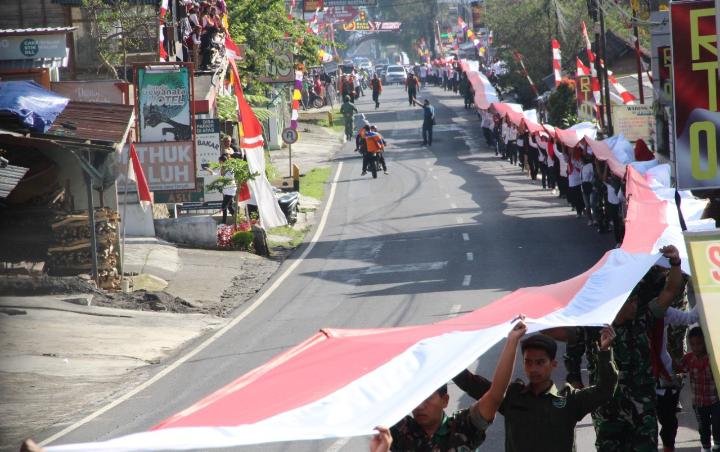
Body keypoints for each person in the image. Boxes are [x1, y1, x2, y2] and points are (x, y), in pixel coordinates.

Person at [564, 245, 685, 452]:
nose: (636, 304)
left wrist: (675, 263)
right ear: (618, 302)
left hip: (642, 408)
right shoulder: (593, 326)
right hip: (607, 411)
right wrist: (576, 382)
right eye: (632, 301)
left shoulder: (643, 318)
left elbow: (670, 291)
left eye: (637, 299)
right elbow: (570, 345)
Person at [386, 321, 528, 450]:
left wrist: (512, 341)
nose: (420, 406)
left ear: (445, 400)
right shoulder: (399, 431)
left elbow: (495, 395)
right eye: (415, 399)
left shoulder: (464, 426)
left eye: (427, 398)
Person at [496, 330, 618, 452]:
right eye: (528, 362)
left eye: (540, 362)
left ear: (553, 364)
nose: (533, 369)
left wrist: (604, 351)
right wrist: (511, 342)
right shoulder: (513, 397)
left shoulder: (568, 400)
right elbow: (489, 392)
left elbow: (604, 390)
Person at [681, 326, 719, 452]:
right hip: (699, 402)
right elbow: (679, 369)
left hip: (715, 400)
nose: (696, 347)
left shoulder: (712, 358)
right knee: (703, 428)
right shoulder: (689, 358)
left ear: (705, 342)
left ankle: (717, 445)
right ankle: (706, 447)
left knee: (718, 424)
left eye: (699, 344)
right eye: (693, 344)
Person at [217, 154, 236, 224]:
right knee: (229, 207)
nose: (219, 163)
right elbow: (219, 175)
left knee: (224, 206)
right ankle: (238, 220)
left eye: (219, 161)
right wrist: (211, 172)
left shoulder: (229, 167)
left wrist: (222, 170)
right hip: (227, 190)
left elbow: (228, 177)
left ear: (222, 161)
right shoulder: (223, 167)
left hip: (230, 190)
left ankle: (223, 223)